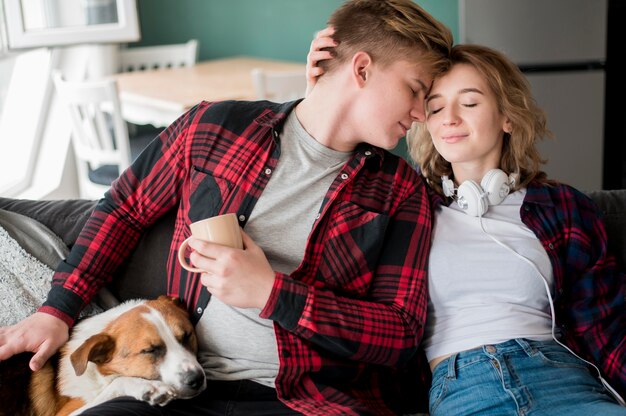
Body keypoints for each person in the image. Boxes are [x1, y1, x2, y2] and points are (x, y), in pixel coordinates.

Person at [0, 1, 453, 415]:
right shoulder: (213, 128)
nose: (420, 113)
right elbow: (123, 210)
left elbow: (399, 334)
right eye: (415, 89)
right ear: (361, 69)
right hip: (168, 391)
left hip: (304, 401)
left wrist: (272, 293)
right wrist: (56, 310)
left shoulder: (399, 190)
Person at [307, 33, 626, 415]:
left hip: (562, 378)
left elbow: (605, 325)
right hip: (464, 387)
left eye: (470, 102)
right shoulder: (404, 205)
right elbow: (323, 185)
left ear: (507, 116)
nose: (451, 119)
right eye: (436, 108)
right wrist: (326, 95)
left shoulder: (563, 207)